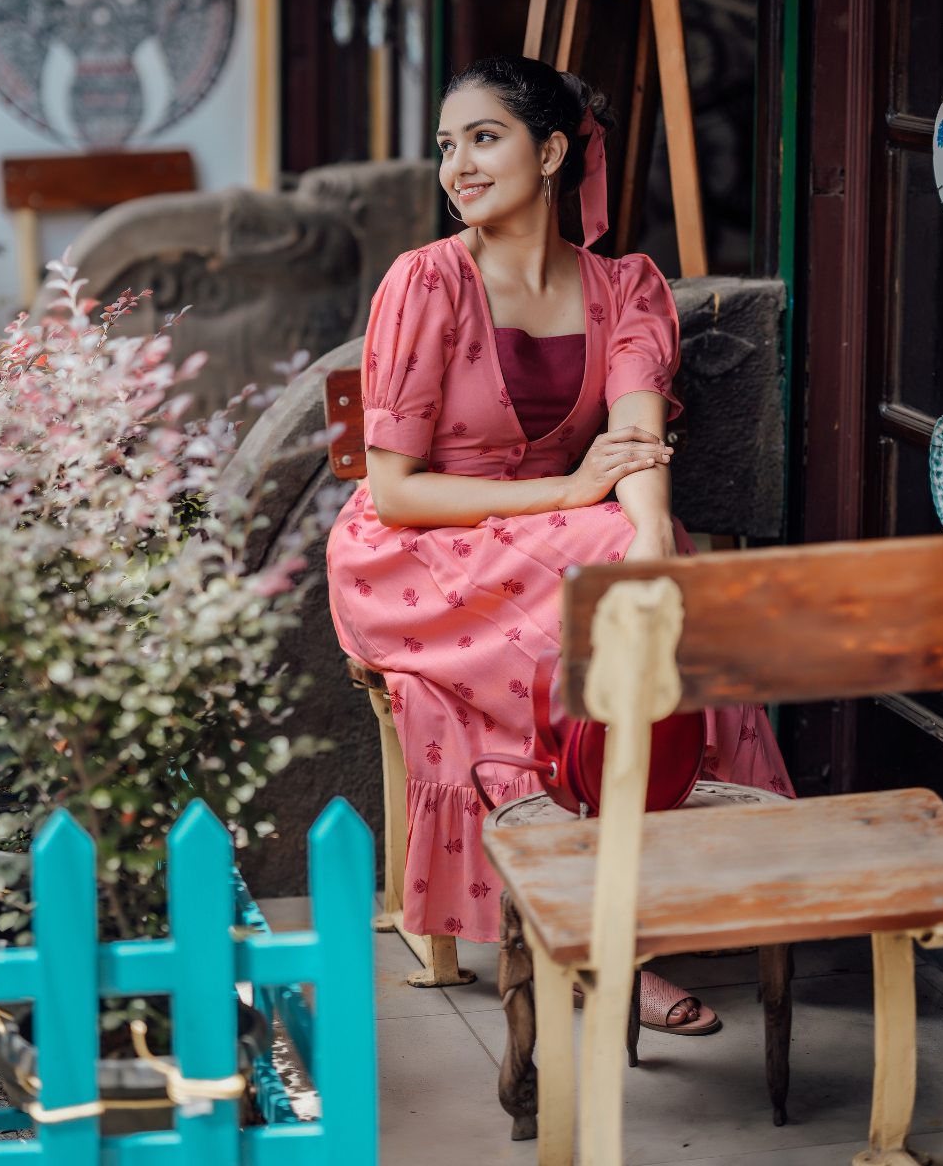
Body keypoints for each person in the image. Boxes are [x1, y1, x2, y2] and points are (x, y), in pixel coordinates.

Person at [327, 56, 792, 1032]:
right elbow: (397, 489)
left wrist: (654, 535)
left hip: (558, 538)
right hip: (417, 549)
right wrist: (574, 493)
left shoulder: (625, 285)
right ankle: (595, 936)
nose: (457, 162)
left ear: (548, 151)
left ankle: (633, 916)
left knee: (648, 586)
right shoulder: (425, 283)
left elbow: (634, 434)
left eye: (483, 137)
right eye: (448, 144)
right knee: (585, 611)